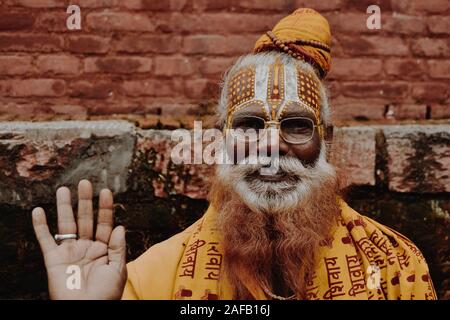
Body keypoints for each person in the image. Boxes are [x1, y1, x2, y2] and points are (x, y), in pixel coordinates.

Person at [31, 8, 436, 300]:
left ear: (325, 140)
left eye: (296, 125)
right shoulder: (151, 280)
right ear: (221, 140)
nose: (272, 145)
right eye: (250, 126)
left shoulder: (395, 268)